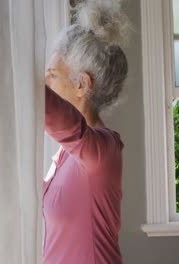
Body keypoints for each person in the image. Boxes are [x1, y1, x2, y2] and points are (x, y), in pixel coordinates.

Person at [42, 1, 131, 263]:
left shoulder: (104, 149)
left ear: (81, 85)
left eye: (51, 75)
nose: (44, 83)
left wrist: (21, 80)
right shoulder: (65, 156)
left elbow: (62, 122)